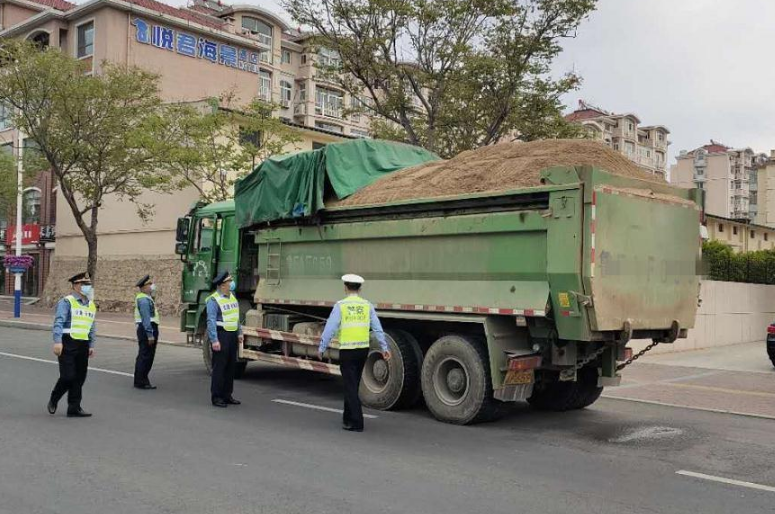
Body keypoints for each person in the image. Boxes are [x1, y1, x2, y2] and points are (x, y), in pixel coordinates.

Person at [318, 274, 391, 432]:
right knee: (353, 384)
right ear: (360, 288)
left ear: (345, 287)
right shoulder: (367, 305)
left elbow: (330, 328)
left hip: (348, 351)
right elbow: (377, 328)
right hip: (362, 351)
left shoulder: (341, 306)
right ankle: (347, 418)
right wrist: (385, 348)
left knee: (350, 386)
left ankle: (357, 422)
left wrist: (322, 347)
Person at [48, 272, 96, 418]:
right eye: (84, 284)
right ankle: (54, 398)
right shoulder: (67, 302)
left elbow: (92, 326)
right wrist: (57, 341)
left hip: (83, 344)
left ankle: (74, 407)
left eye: (88, 284)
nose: (87, 287)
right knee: (68, 376)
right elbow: (59, 322)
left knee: (80, 377)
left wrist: (92, 344)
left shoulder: (91, 304)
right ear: (76, 286)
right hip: (67, 342)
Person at [206, 271, 243, 408]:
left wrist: (239, 332)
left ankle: (227, 395)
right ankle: (217, 397)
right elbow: (210, 321)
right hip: (221, 335)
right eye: (229, 281)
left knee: (230, 367)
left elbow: (236, 317)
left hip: (232, 335)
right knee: (219, 368)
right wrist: (214, 340)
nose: (231, 283)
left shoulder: (232, 297)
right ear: (222, 285)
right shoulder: (213, 300)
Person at [134, 274, 159, 390]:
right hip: (147, 329)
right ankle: (141, 381)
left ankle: (141, 379)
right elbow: (146, 318)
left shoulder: (146, 297)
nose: (151, 286)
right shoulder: (143, 300)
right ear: (143, 287)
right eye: (149, 284)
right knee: (146, 356)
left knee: (145, 355)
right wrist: (150, 335)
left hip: (147, 328)